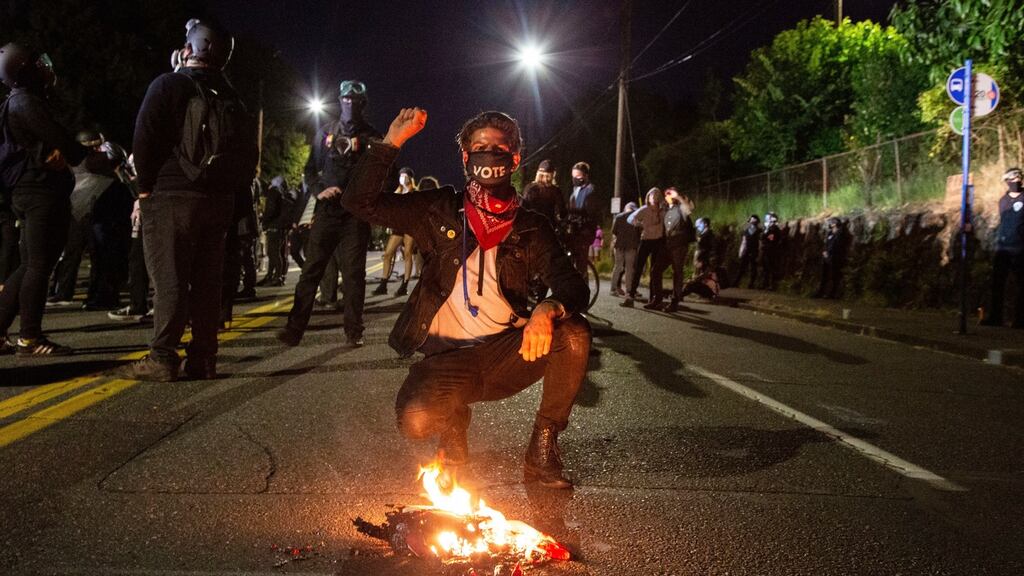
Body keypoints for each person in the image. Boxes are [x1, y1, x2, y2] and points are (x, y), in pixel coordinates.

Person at [341, 108, 591, 489]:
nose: (489, 155)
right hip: (447, 359)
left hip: (506, 353)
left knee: (572, 333)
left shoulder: (531, 226)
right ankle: (453, 423)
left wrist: (548, 307)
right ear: (465, 157)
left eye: (499, 147)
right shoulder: (437, 209)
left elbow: (571, 282)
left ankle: (542, 450)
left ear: (515, 158)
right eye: (479, 147)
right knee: (416, 420)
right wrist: (391, 142)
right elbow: (359, 203)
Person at [118, 19, 258, 381]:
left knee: (170, 279)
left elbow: (144, 138)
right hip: (217, 201)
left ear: (189, 49)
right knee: (208, 282)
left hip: (172, 196)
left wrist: (144, 189)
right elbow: (249, 156)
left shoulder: (169, 84)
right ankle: (204, 358)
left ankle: (163, 357)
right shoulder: (232, 97)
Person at [277, 80, 380, 348]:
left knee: (354, 274)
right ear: (339, 100)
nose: (350, 104)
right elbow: (310, 169)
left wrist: (366, 197)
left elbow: (386, 175)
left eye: (355, 101)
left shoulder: (372, 137)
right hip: (327, 211)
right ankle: (293, 329)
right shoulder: (326, 133)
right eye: (345, 99)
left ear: (363, 104)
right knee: (311, 271)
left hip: (355, 215)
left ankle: (353, 331)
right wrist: (319, 190)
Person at [0, 42, 88, 356]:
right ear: (23, 70)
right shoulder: (25, 102)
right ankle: (30, 337)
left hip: (33, 191)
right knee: (38, 264)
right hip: (37, 192)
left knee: (30, 264)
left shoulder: (22, 101)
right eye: (40, 63)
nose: (47, 67)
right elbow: (65, 142)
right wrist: (75, 152)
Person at [981, 168, 1024, 328]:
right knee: (997, 284)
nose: (1016, 181)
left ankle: (1019, 320)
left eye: (1018, 178)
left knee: (1021, 284)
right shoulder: (1003, 201)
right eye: (1013, 179)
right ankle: (995, 317)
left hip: (1020, 248)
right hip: (1004, 247)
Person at [374, 166, 418, 296]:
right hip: (398, 227)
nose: (402, 178)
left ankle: (404, 285)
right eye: (401, 175)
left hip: (410, 226)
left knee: (408, 253)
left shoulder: (414, 192)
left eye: (405, 175)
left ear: (410, 178)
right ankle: (383, 283)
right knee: (388, 253)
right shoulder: (399, 190)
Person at [623, 187, 666, 308]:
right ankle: (630, 295)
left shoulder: (662, 210)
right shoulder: (644, 209)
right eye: (652, 195)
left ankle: (653, 298)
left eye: (657, 195)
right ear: (648, 197)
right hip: (646, 241)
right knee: (638, 268)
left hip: (658, 241)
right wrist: (639, 224)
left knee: (654, 270)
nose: (654, 197)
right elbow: (630, 218)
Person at [657, 187, 696, 313]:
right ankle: (657, 298)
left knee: (677, 272)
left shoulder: (681, 207)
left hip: (679, 243)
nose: (669, 195)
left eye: (671, 193)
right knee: (656, 270)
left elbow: (689, 210)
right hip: (667, 244)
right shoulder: (665, 209)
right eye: (667, 193)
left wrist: (678, 197)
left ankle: (675, 301)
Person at [565, 161, 601, 277]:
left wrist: (574, 212)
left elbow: (590, 212)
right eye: (573, 177)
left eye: (578, 176)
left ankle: (582, 289)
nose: (575, 179)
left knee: (581, 262)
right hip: (575, 228)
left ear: (585, 176)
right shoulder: (575, 191)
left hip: (585, 230)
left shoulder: (590, 191)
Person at [257, 175, 291, 287]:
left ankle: (276, 277)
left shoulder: (273, 192)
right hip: (280, 227)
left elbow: (270, 210)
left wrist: (264, 221)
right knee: (276, 252)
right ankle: (272, 276)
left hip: (274, 226)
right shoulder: (281, 193)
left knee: (273, 253)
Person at [679, 217, 721, 302]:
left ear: (705, 224)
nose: (698, 227)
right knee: (697, 279)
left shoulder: (709, 235)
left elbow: (709, 249)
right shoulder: (704, 234)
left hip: (703, 261)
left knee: (697, 280)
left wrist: (705, 261)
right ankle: (707, 294)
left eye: (700, 224)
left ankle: (682, 294)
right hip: (701, 261)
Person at [521, 159, 565, 227]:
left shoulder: (530, 187)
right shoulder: (555, 190)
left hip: (532, 227)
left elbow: (523, 207)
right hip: (549, 226)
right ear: (553, 175)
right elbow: (562, 211)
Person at [609, 201, 640, 297]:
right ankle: (628, 290)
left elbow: (614, 231)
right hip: (631, 246)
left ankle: (613, 289)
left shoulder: (618, 217)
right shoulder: (636, 218)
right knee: (629, 269)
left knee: (617, 267)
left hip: (619, 245)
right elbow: (639, 233)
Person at [814, 217, 846, 299]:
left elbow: (838, 246)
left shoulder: (840, 234)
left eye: (831, 222)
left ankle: (832, 294)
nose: (830, 224)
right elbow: (827, 243)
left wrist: (830, 253)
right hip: (827, 257)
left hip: (834, 257)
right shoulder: (830, 233)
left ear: (835, 224)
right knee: (824, 275)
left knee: (834, 276)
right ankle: (821, 292)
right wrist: (825, 251)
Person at [734, 214, 761, 289]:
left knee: (753, 268)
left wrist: (759, 253)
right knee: (742, 267)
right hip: (747, 250)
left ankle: (751, 284)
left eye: (753, 220)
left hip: (754, 251)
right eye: (751, 220)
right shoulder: (746, 230)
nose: (752, 221)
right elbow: (744, 241)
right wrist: (741, 251)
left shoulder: (759, 231)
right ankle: (736, 282)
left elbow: (760, 242)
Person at [760, 211, 783, 291]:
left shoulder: (774, 229)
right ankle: (765, 284)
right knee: (765, 268)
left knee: (772, 268)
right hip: (767, 250)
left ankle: (772, 285)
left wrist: (766, 232)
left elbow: (771, 239)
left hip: (772, 251)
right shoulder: (768, 228)